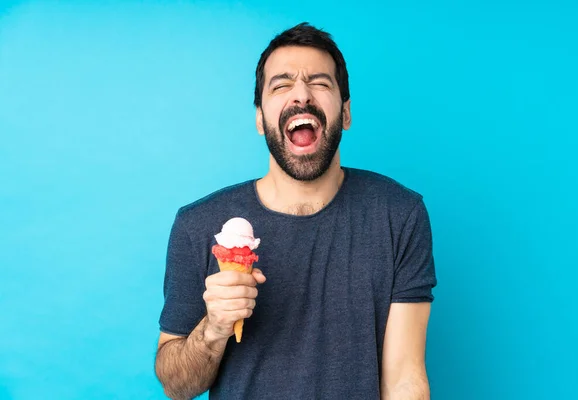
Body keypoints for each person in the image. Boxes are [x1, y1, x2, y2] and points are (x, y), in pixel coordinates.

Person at [154, 22, 437, 400]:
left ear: (346, 113)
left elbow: (404, 379)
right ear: (260, 118)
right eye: (281, 84)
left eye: (320, 82)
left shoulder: (399, 215)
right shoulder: (198, 225)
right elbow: (177, 387)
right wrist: (215, 328)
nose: (301, 95)